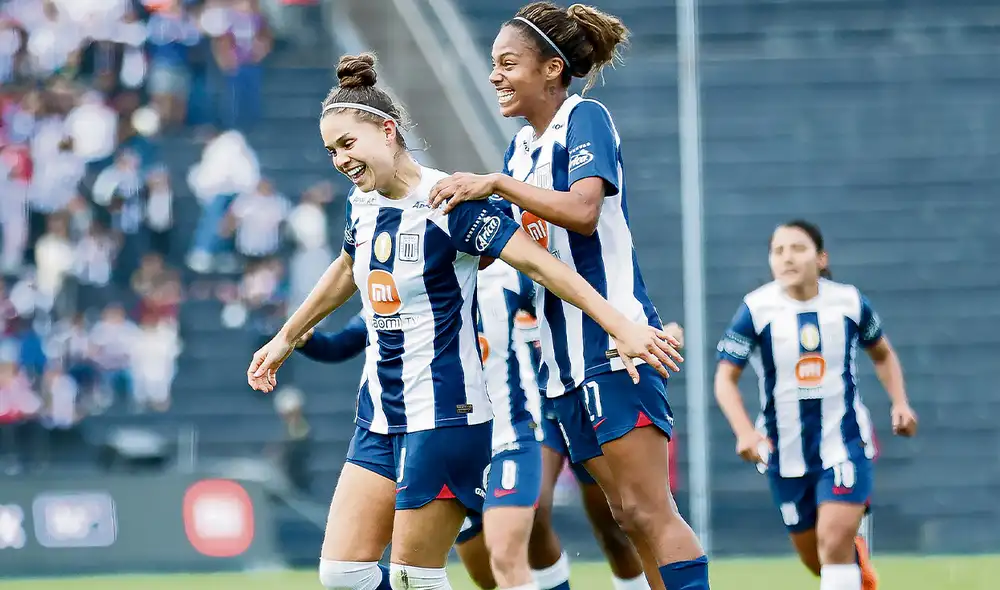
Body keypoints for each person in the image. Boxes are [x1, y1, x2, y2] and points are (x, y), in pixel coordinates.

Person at [247, 53, 682, 590]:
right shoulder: (361, 203)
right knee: (342, 574)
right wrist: (285, 337)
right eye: (331, 150)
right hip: (380, 412)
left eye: (348, 144)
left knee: (415, 576)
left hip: (447, 414)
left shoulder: (449, 202)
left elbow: (541, 264)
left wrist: (620, 324)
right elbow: (347, 264)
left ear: (387, 131)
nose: (340, 160)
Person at [427, 3, 709, 589]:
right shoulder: (520, 150)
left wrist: (497, 185)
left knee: (651, 510)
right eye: (493, 64)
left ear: (552, 69)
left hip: (613, 345)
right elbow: (518, 253)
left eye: (508, 63)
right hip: (559, 365)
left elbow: (583, 213)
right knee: (627, 515)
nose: (494, 76)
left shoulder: (585, 119)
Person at [714, 220, 919, 590]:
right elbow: (725, 379)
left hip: (845, 444)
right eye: (778, 251)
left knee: (832, 543)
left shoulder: (849, 302)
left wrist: (900, 403)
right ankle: (856, 568)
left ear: (821, 258)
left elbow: (883, 354)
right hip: (785, 451)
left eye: (798, 248)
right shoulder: (756, 309)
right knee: (818, 560)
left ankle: (846, 557)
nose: (787, 258)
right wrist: (744, 432)